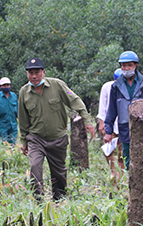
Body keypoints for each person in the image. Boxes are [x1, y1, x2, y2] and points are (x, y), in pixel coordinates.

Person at [18, 57, 95, 202]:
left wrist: (87, 121)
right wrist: (24, 141)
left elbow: (76, 101)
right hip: (36, 138)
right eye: (30, 73)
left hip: (57, 138)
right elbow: (23, 119)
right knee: (35, 167)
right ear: (27, 74)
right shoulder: (24, 92)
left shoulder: (57, 85)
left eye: (37, 72)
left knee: (59, 173)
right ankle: (39, 202)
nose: (34, 76)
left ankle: (59, 200)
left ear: (43, 72)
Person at [103, 51, 143, 169]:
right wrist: (108, 132)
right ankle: (131, 184)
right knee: (128, 161)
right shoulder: (116, 86)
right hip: (125, 128)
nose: (126, 68)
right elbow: (112, 110)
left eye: (129, 65)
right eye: (123, 65)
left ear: (135, 65)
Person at [97, 68, 124, 181]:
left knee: (122, 152)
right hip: (111, 123)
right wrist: (101, 122)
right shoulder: (107, 87)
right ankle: (113, 172)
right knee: (108, 149)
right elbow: (103, 106)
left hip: (124, 124)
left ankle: (123, 174)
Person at [0, 77, 18, 145]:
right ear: (0, 86)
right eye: (4, 85)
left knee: (13, 144)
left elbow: (17, 109)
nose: (6, 87)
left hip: (13, 125)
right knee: (4, 144)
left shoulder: (14, 96)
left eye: (8, 85)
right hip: (2, 125)